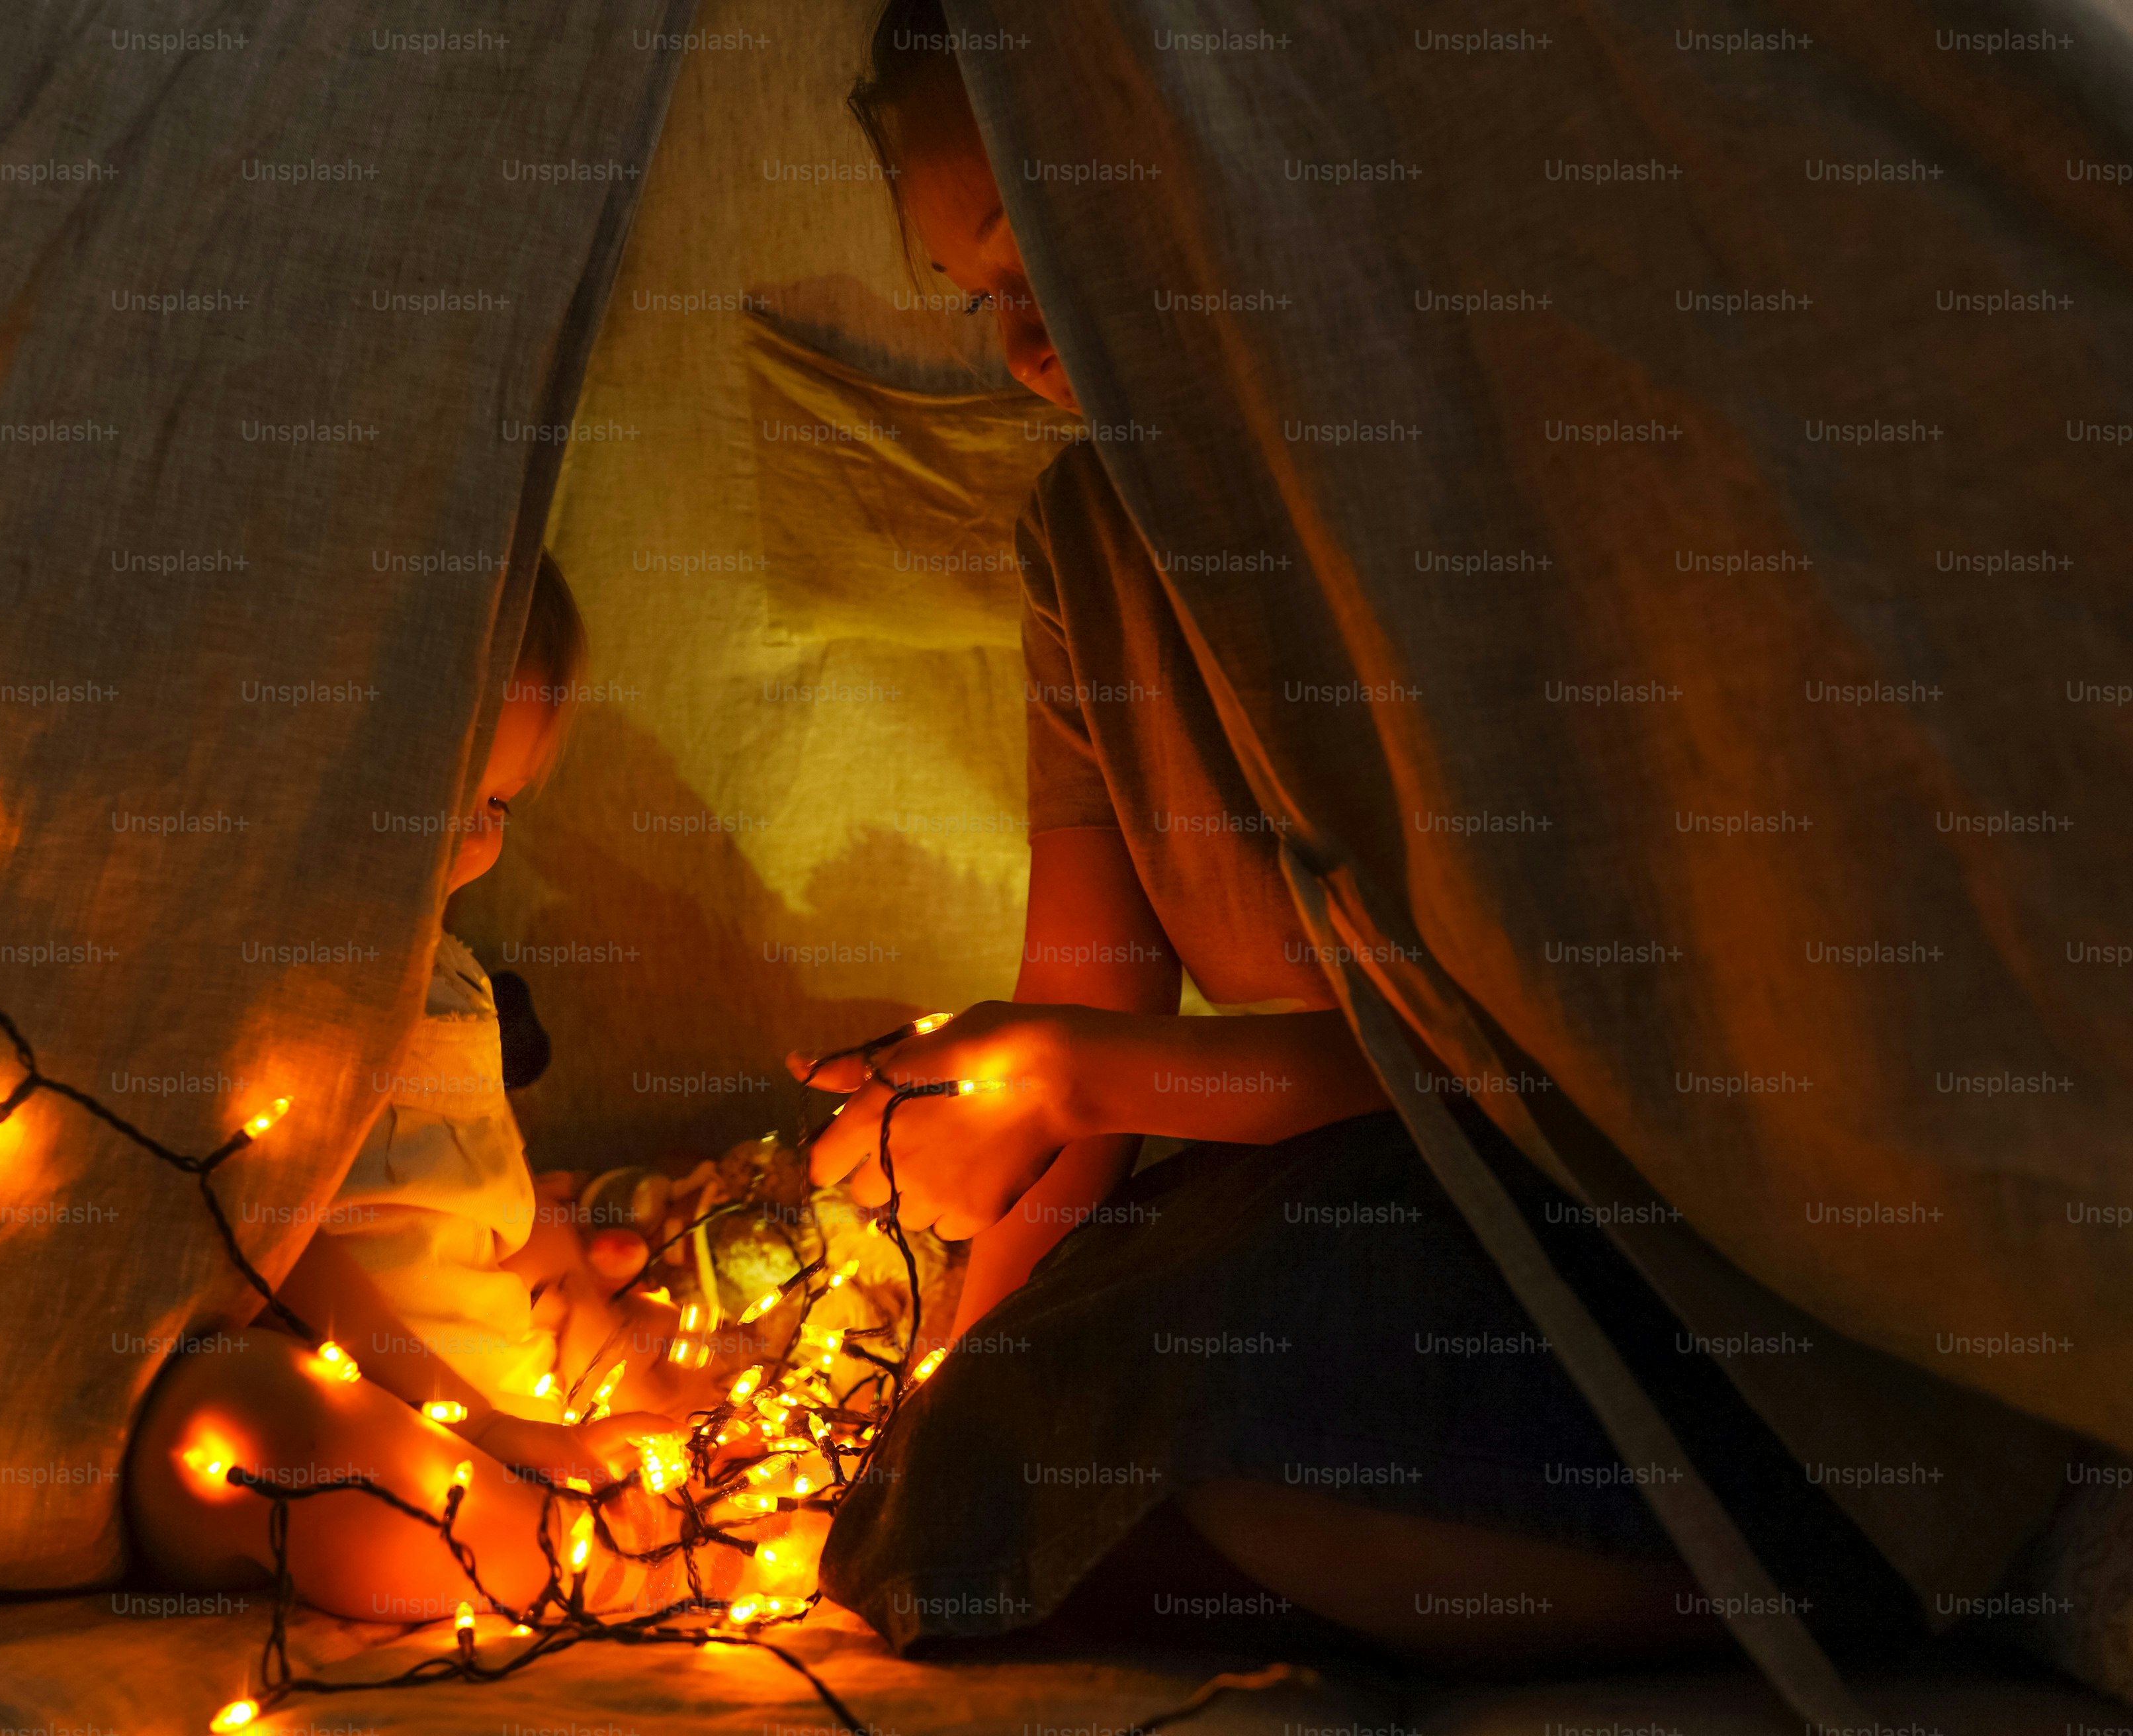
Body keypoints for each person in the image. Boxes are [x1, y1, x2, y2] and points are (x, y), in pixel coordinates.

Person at [803, 0, 1919, 1673]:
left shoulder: (1477, 465)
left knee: (1298, 1336)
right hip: (1301, 1195)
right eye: (980, 300)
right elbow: (1078, 1040)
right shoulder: (1081, 538)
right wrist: (969, 1366)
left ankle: (1833, 1567)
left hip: (1583, 1205)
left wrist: (1093, 1074)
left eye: (1044, 256)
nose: (1022, 341)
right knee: (1005, 1454)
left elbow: (1543, 1055)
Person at [126, 556, 720, 1621]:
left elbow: (496, 1212)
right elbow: (274, 1248)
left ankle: (586, 1524)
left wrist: (605, 1345)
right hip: (360, 1392)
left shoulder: (456, 983)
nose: (467, 838)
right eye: (437, 798)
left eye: (496, 803)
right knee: (242, 1424)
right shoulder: (258, 984)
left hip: (503, 1394)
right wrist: (476, 1431)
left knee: (657, 1355)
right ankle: (585, 1561)